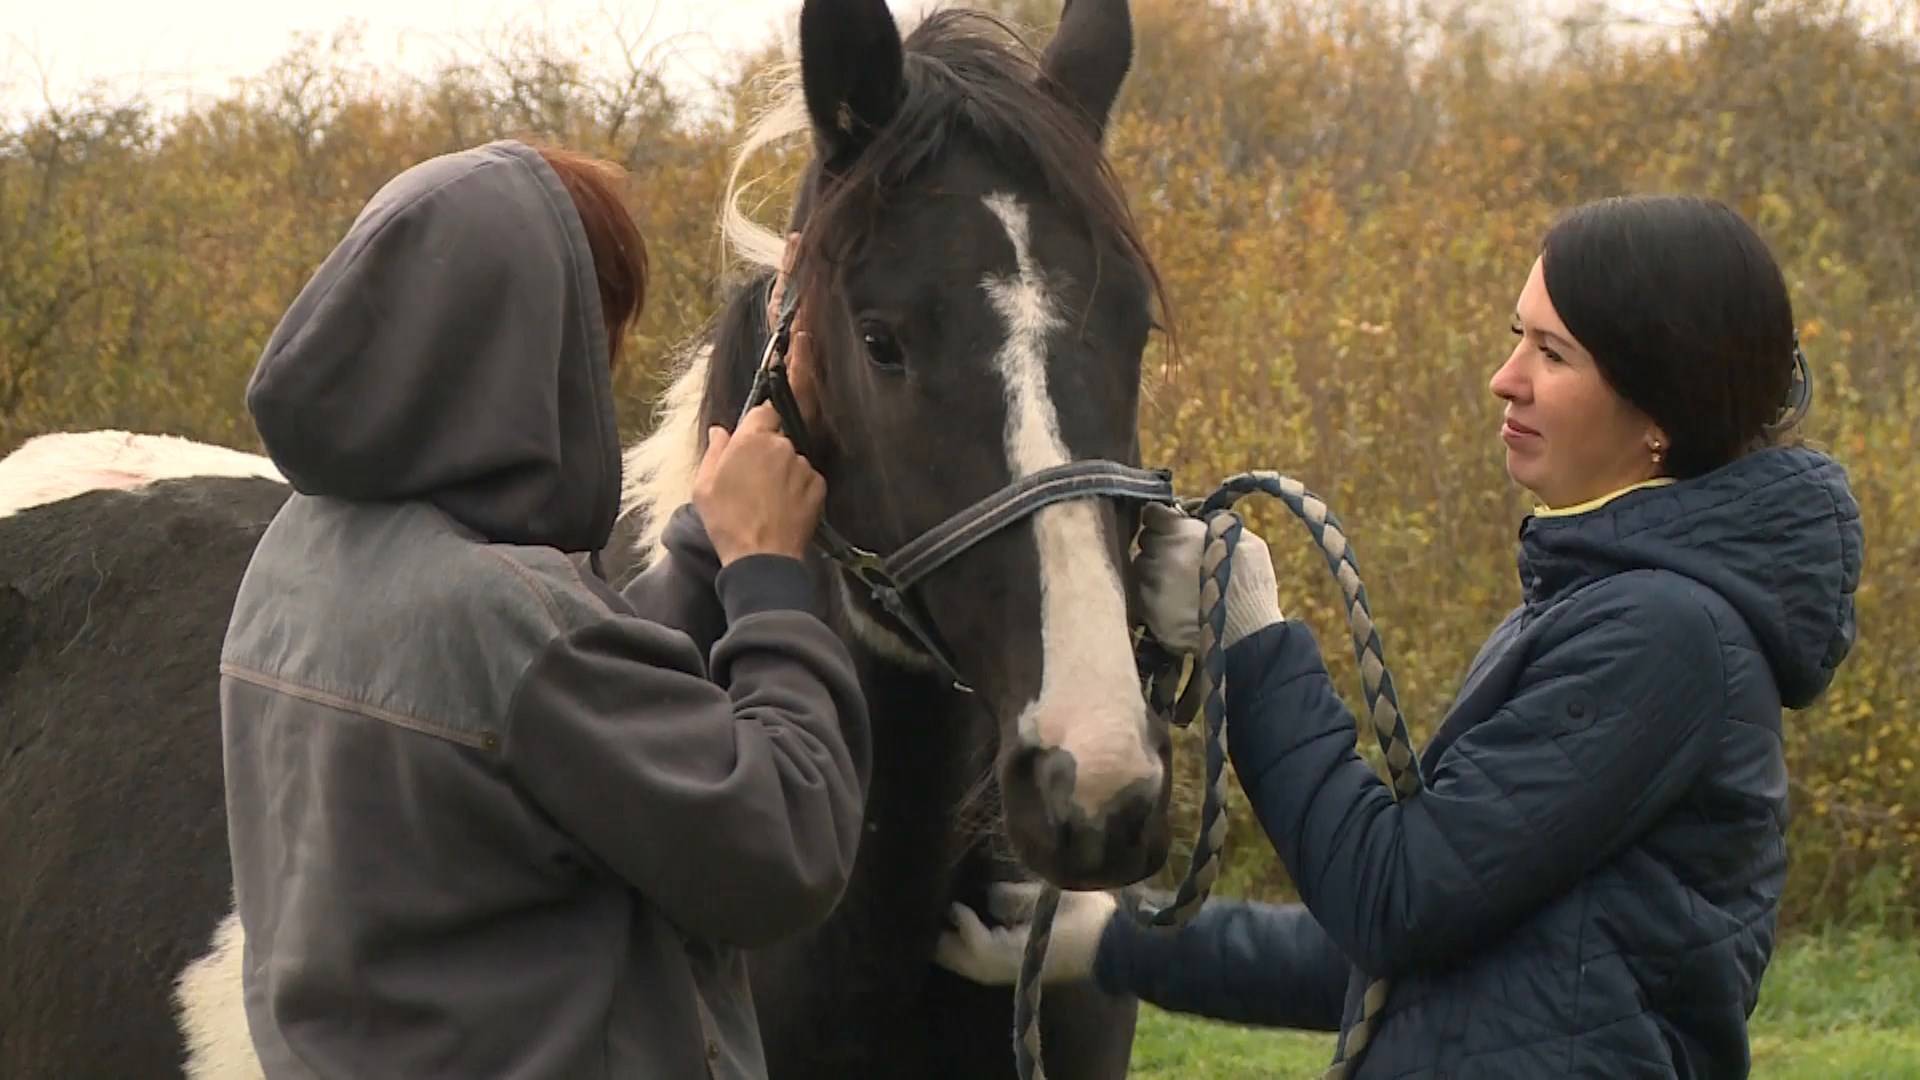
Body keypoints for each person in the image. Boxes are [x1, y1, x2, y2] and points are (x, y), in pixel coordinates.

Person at [935, 194, 1863, 1078]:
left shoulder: (1665, 637)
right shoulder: (1615, 610)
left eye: (1554, 352)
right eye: (1517, 338)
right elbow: (1417, 958)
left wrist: (1250, 639)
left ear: (1660, 409)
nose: (1507, 379)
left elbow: (1395, 900)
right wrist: (1111, 945)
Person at [220, 139, 870, 1079]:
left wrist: (704, 537)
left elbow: (562, 718)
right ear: (524, 345)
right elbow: (784, 842)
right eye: (588, 333)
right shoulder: (505, 620)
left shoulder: (293, 561)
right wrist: (767, 571)